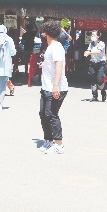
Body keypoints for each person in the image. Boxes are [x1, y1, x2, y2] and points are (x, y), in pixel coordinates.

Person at [38, 20, 69, 154]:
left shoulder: (56, 47)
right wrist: (43, 65)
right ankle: (49, 140)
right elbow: (51, 64)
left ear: (46, 33)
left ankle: (59, 144)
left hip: (56, 87)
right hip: (46, 86)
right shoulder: (51, 46)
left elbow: (59, 65)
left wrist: (55, 85)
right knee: (43, 113)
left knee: (51, 114)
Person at [84, 30, 107, 102]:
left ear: (98, 36)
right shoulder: (91, 44)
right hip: (93, 63)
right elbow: (88, 51)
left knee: (99, 80)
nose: (92, 37)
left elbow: (99, 52)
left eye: (94, 35)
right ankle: (94, 96)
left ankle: (103, 92)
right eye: (92, 35)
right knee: (92, 80)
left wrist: (89, 53)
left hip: (101, 64)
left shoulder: (101, 44)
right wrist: (86, 53)